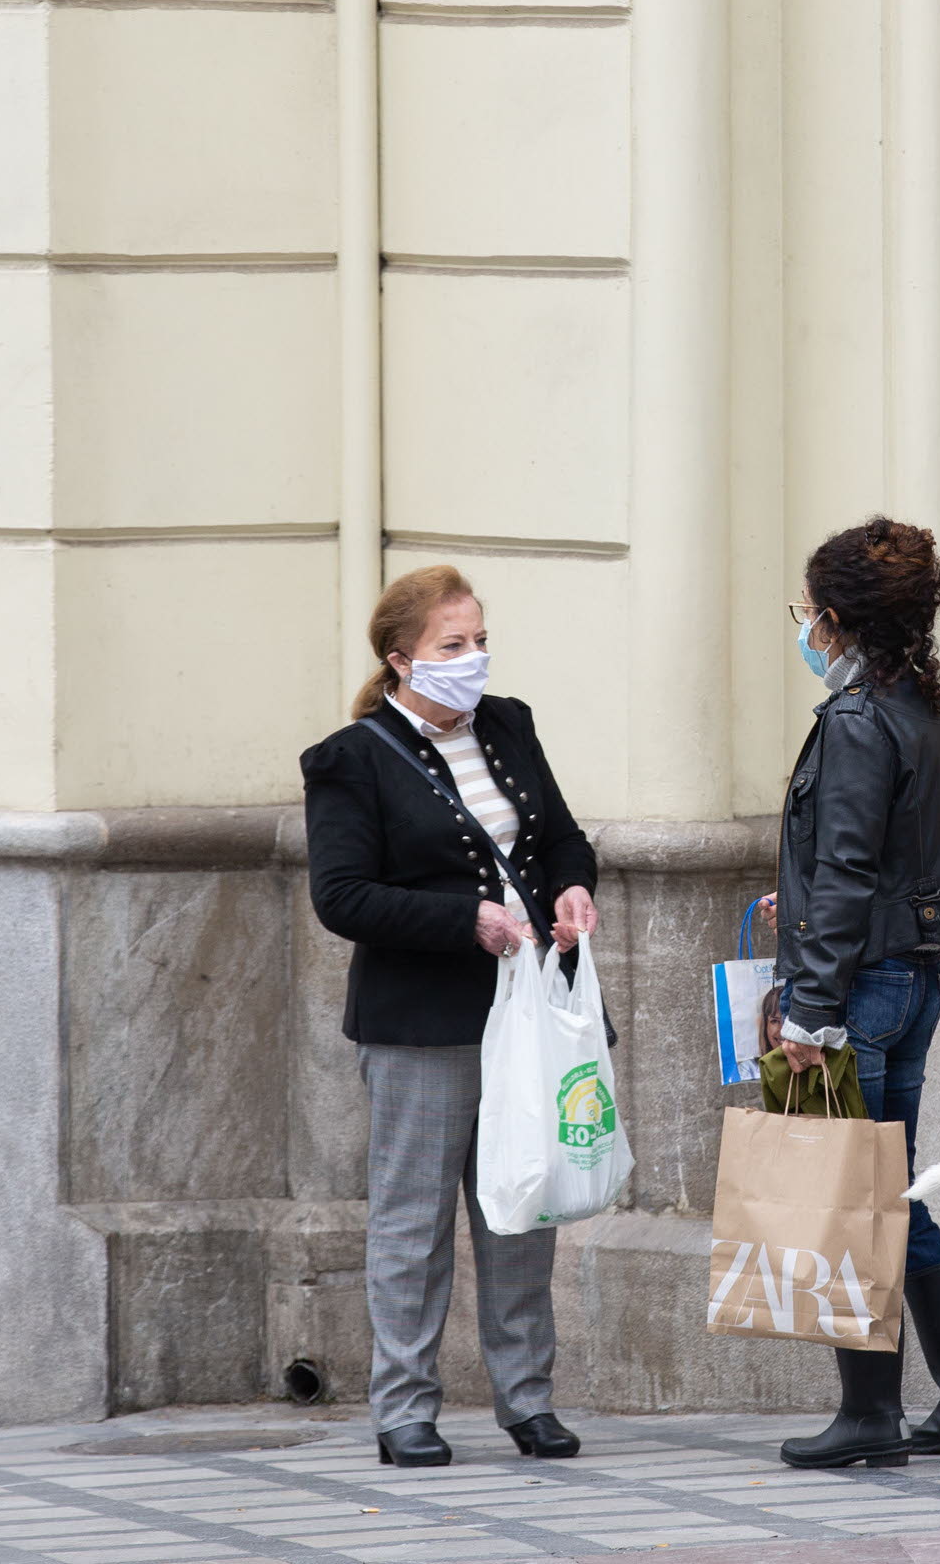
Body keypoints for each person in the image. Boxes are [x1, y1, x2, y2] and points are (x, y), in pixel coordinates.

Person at [300, 565, 600, 1469]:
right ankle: (404, 1409)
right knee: (413, 1221)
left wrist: (575, 887)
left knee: (522, 1206)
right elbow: (342, 896)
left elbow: (559, 837)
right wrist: (462, 919)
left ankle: (528, 1399)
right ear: (402, 660)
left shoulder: (509, 723)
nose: (474, 659)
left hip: (527, 1012)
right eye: (451, 646)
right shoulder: (350, 758)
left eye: (478, 640)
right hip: (421, 1021)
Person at [756, 517, 940, 1470]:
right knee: (890, 1188)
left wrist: (811, 1012)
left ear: (836, 618)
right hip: (911, 974)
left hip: (858, 988)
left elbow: (854, 868)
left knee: (851, 1195)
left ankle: (868, 1418)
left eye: (807, 612)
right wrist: (809, 893)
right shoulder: (937, 716)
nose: (805, 627)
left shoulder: (858, 721)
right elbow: (914, 859)